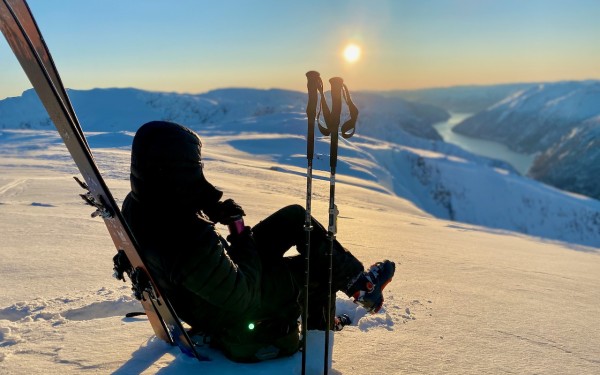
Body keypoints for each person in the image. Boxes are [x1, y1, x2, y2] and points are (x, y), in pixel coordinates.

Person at [122, 121, 395, 362]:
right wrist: (239, 235)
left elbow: (181, 214)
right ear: (176, 171)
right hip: (234, 304)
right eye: (194, 166)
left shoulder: (139, 206)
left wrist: (212, 208)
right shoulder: (186, 239)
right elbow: (243, 297)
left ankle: (358, 283)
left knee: (295, 217)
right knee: (316, 267)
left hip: (215, 284)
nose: (198, 171)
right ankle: (322, 329)